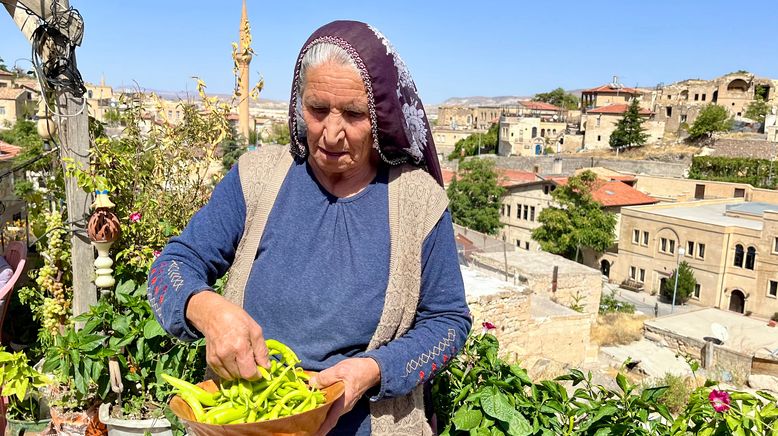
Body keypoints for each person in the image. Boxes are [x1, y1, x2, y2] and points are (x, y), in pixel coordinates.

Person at [148, 20, 471, 435]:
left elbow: (448, 321)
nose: (331, 133)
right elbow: (173, 264)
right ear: (299, 104)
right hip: (250, 421)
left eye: (354, 114)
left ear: (382, 115)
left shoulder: (417, 201)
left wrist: (373, 370)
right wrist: (208, 310)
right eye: (317, 109)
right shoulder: (257, 177)